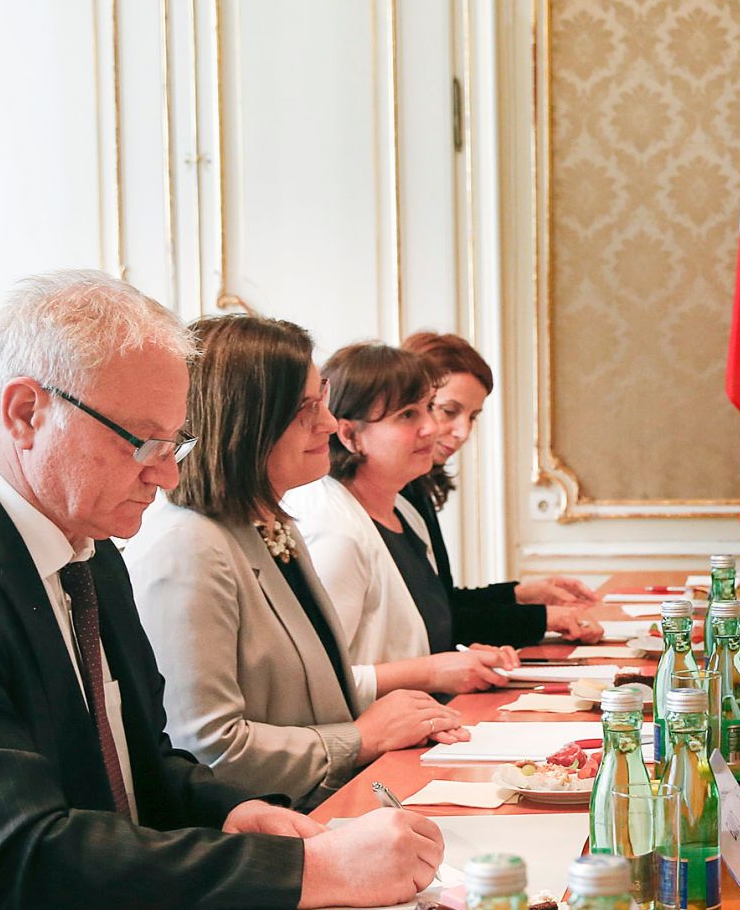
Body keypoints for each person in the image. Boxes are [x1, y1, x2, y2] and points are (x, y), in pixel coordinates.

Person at [0, 272, 444, 910]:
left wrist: (233, 813)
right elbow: (23, 855)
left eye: (176, 441)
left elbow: (142, 763)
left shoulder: (88, 543)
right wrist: (310, 871)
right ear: (27, 411)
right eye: (143, 441)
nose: (165, 472)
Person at [124, 315, 488, 810]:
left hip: (323, 806)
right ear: (247, 420)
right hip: (264, 835)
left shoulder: (272, 522)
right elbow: (205, 749)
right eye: (306, 408)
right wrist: (361, 737)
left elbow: (310, 699)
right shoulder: (187, 545)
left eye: (323, 400)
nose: (330, 423)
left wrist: (408, 715)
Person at [286, 343, 518, 672]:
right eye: (408, 415)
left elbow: (415, 644)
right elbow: (315, 680)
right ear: (351, 435)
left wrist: (461, 657)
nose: (432, 428)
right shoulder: (335, 530)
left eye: (427, 408)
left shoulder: (405, 513)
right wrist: (435, 672)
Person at [401, 330, 607, 644]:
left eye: (473, 417)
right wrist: (543, 617)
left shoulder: (416, 487)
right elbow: (437, 620)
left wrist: (521, 594)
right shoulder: (394, 492)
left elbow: (441, 601)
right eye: (449, 411)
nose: (463, 432)